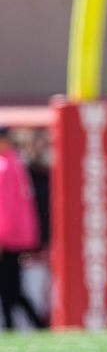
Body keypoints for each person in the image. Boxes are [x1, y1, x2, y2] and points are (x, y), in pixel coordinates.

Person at [0, 127, 47, 330]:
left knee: (10, 289)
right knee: (11, 288)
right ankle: (24, 325)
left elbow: (5, 209)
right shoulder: (16, 163)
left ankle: (32, 325)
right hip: (16, 238)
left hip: (8, 239)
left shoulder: (5, 166)